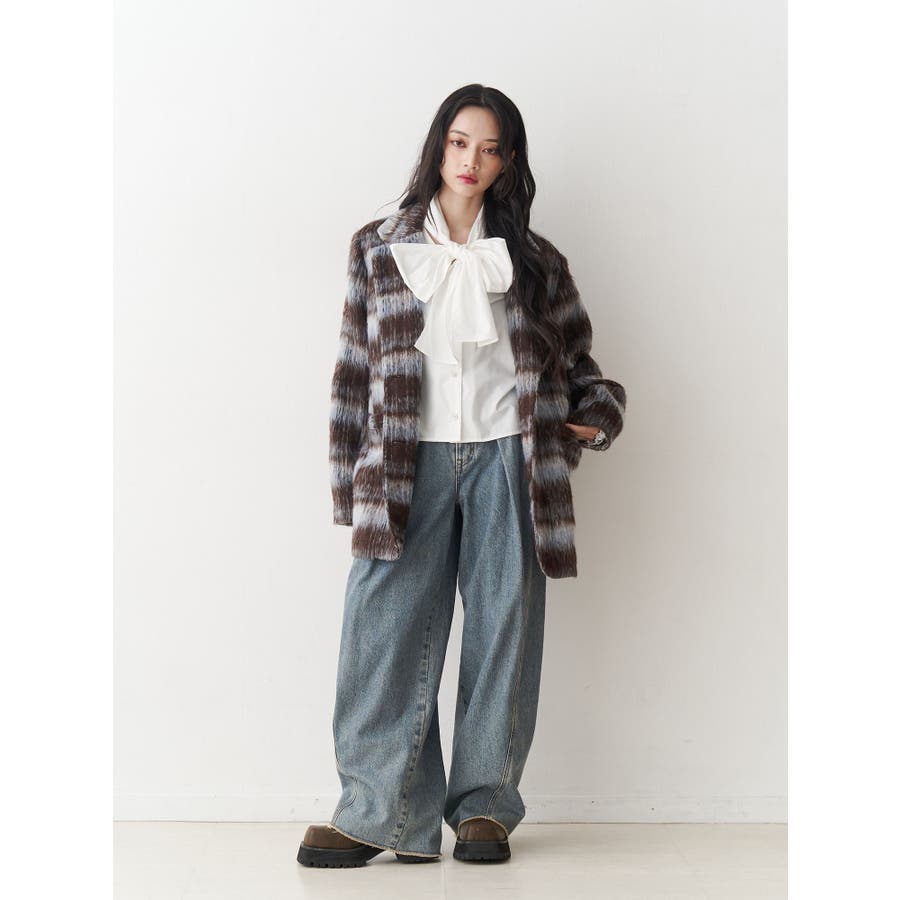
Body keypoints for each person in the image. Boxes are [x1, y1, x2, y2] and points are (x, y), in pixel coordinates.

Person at [297, 84, 626, 869]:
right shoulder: (378, 248)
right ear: (437, 147)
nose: (471, 160)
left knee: (504, 629)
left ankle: (484, 807)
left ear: (507, 162)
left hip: (510, 457)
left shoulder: (537, 262)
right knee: (383, 633)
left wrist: (596, 415)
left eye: (489, 148)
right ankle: (380, 813)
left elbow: (583, 369)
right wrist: (350, 487)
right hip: (406, 463)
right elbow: (352, 374)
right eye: (459, 142)